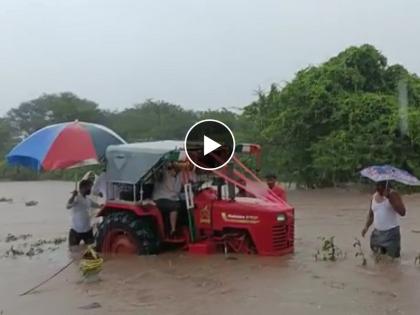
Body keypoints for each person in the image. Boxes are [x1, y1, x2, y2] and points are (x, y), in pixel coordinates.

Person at [362, 181, 406, 258]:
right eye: (377, 186)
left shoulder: (393, 194)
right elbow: (371, 215)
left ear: (386, 186)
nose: (378, 189)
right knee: (377, 259)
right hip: (377, 234)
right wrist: (366, 227)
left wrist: (389, 197)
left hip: (391, 234)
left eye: (380, 187)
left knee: (393, 261)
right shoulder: (374, 196)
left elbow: (402, 212)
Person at [66, 179, 101, 248]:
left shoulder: (87, 199)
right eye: (89, 187)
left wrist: (103, 206)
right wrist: (73, 196)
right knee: (73, 253)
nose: (90, 189)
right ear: (83, 188)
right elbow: (68, 206)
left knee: (92, 250)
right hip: (75, 232)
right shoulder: (77, 198)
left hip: (87, 231)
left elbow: (97, 205)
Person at [153, 163, 182, 237]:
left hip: (173, 198)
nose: (174, 172)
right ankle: (173, 230)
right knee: (175, 206)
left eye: (176, 170)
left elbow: (177, 190)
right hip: (160, 198)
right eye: (173, 169)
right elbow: (157, 176)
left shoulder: (179, 176)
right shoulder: (163, 173)